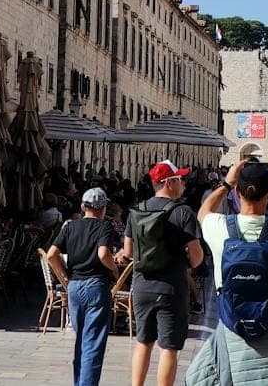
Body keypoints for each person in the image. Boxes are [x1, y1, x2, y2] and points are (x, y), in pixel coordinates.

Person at [188, 158, 268, 385]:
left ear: (237, 194)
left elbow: (203, 213)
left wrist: (225, 183)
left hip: (232, 324)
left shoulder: (219, 227)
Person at [123, 161, 206, 386]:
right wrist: (187, 263)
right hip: (171, 288)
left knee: (143, 342)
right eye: (180, 179)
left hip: (141, 286)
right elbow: (197, 255)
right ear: (169, 183)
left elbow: (129, 251)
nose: (184, 184)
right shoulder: (183, 212)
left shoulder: (138, 209)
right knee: (168, 348)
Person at [47, 187, 122, 386]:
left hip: (75, 286)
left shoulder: (70, 227)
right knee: (93, 344)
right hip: (96, 286)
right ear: (103, 208)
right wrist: (114, 270)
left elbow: (51, 254)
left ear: (82, 207)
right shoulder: (104, 227)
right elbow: (103, 254)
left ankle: (78, 382)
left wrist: (64, 277)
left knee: (81, 341)